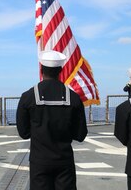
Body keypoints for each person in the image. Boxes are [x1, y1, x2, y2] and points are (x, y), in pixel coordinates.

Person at [16, 50, 88, 190]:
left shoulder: (28, 97)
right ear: (60, 70)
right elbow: (80, 135)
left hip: (39, 162)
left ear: (41, 69)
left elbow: (23, 133)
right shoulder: (73, 98)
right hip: (64, 161)